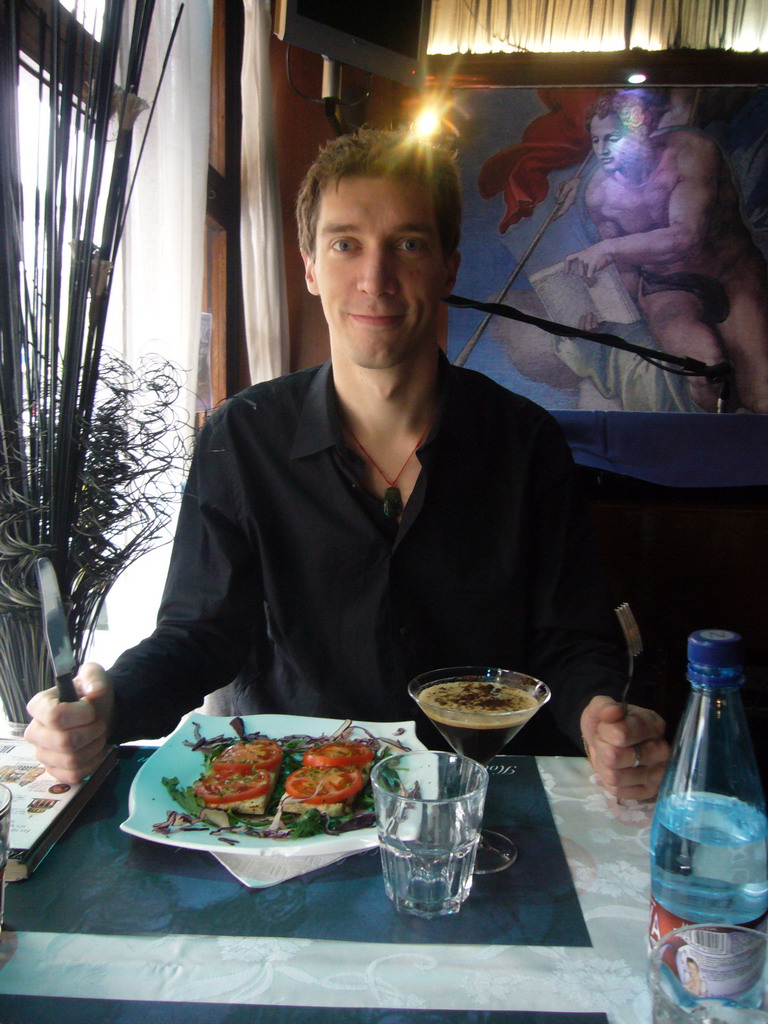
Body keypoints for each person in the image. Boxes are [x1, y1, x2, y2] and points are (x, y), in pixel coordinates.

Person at [25, 128, 669, 801]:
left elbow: (572, 642)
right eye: (345, 244)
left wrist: (598, 714)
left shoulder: (524, 441)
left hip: (485, 800)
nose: (375, 279)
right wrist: (110, 704)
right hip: (289, 808)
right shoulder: (243, 438)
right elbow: (199, 635)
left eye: (409, 244)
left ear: (450, 264)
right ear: (309, 265)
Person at [561, 90, 768, 413]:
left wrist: (610, 247)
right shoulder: (601, 196)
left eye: (612, 138)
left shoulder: (691, 151)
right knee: (706, 371)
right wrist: (601, 312)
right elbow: (628, 274)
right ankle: (717, 452)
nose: (602, 150)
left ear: (639, 129)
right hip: (668, 288)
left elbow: (686, 238)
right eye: (596, 140)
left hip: (732, 274)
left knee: (762, 394)